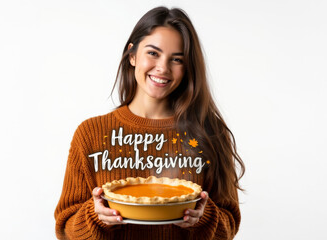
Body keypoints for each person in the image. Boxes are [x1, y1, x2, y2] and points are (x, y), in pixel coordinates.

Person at [54, 6, 245, 240]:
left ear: (188, 68)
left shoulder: (209, 133)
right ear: (132, 55)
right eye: (153, 53)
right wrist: (95, 216)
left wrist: (203, 218)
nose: (163, 68)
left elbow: (229, 226)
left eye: (176, 59)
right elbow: (65, 230)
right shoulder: (91, 134)